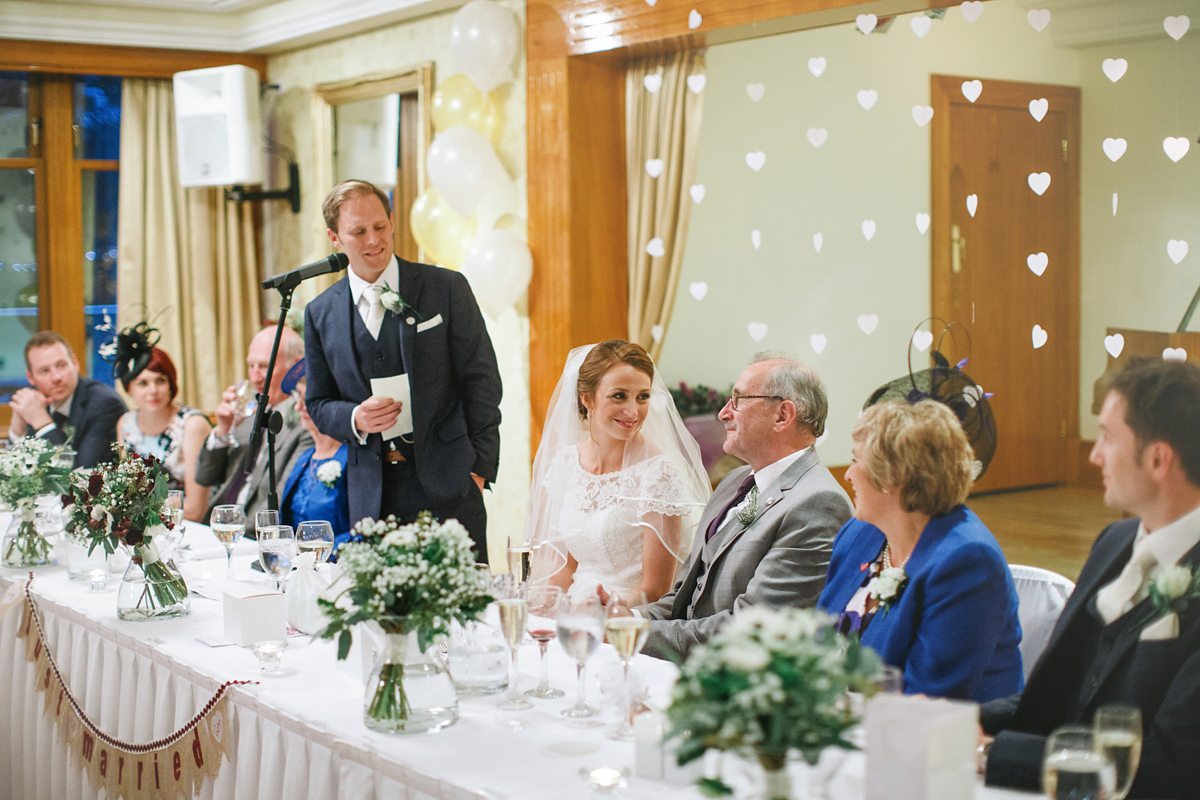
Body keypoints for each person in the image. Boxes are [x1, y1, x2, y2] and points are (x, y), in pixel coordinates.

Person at [982, 358, 1200, 799]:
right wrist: (964, 720)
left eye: (1106, 436)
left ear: (1158, 458)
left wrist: (992, 756)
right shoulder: (1115, 542)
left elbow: (1168, 767)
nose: (1094, 454)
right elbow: (1060, 692)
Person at [304, 179, 502, 561]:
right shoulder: (320, 313)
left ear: (392, 221)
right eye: (358, 232)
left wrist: (478, 471)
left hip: (450, 486)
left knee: (463, 614)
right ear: (334, 237)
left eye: (380, 226)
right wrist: (356, 417)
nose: (373, 239)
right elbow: (318, 403)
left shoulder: (446, 287)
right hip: (372, 497)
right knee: (385, 618)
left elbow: (483, 382)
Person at [621, 354, 853, 661]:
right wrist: (628, 618)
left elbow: (751, 631)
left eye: (738, 400)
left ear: (782, 415)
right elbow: (684, 597)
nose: (723, 413)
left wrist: (630, 633)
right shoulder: (735, 480)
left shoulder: (818, 503)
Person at [818, 399, 1023, 703]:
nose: (847, 475)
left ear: (891, 476)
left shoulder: (967, 563)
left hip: (940, 736)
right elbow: (816, 643)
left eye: (855, 461)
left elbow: (930, 696)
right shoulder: (858, 535)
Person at [526, 341, 710, 603]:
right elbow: (563, 569)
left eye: (643, 396)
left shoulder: (659, 473)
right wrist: (544, 608)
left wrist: (604, 612)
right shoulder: (566, 463)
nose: (633, 411)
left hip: (628, 620)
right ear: (587, 398)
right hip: (573, 613)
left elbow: (656, 589)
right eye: (619, 395)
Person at [195, 326, 312, 522]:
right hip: (218, 523)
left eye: (264, 366)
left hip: (254, 533)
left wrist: (235, 533)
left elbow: (281, 502)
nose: (255, 377)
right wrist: (223, 431)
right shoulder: (248, 413)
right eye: (251, 366)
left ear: (296, 368)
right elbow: (204, 478)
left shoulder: (305, 422)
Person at [116, 343, 213, 522]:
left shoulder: (192, 425)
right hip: (145, 528)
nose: (153, 391)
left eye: (161, 380)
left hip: (193, 529)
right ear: (129, 388)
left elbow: (195, 510)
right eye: (143, 383)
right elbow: (125, 493)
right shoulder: (126, 424)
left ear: (171, 384)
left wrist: (138, 508)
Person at [9, 330, 125, 469]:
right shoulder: (35, 403)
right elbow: (15, 473)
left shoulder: (105, 404)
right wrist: (18, 430)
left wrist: (42, 423)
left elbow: (81, 475)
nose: (56, 377)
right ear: (30, 377)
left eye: (61, 365)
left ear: (75, 363)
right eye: (45, 371)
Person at [278, 360, 351, 553]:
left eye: (307, 398)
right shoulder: (304, 459)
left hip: (334, 570)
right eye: (298, 397)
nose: (299, 406)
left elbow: (361, 528)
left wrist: (315, 555)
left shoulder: (352, 459)